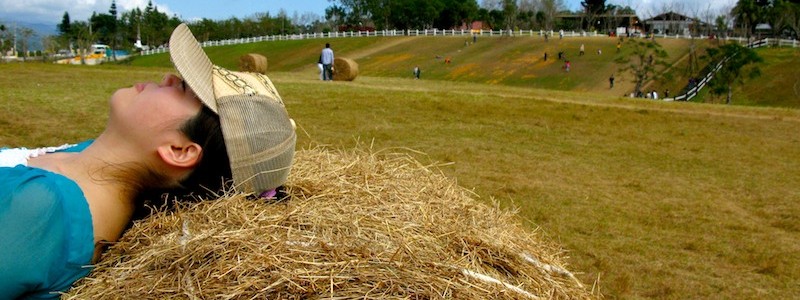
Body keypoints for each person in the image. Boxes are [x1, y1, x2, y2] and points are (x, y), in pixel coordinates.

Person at [0, 23, 297, 298]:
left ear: (178, 151)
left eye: (182, 88)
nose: (168, 77)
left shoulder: (39, 212)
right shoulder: (91, 162)